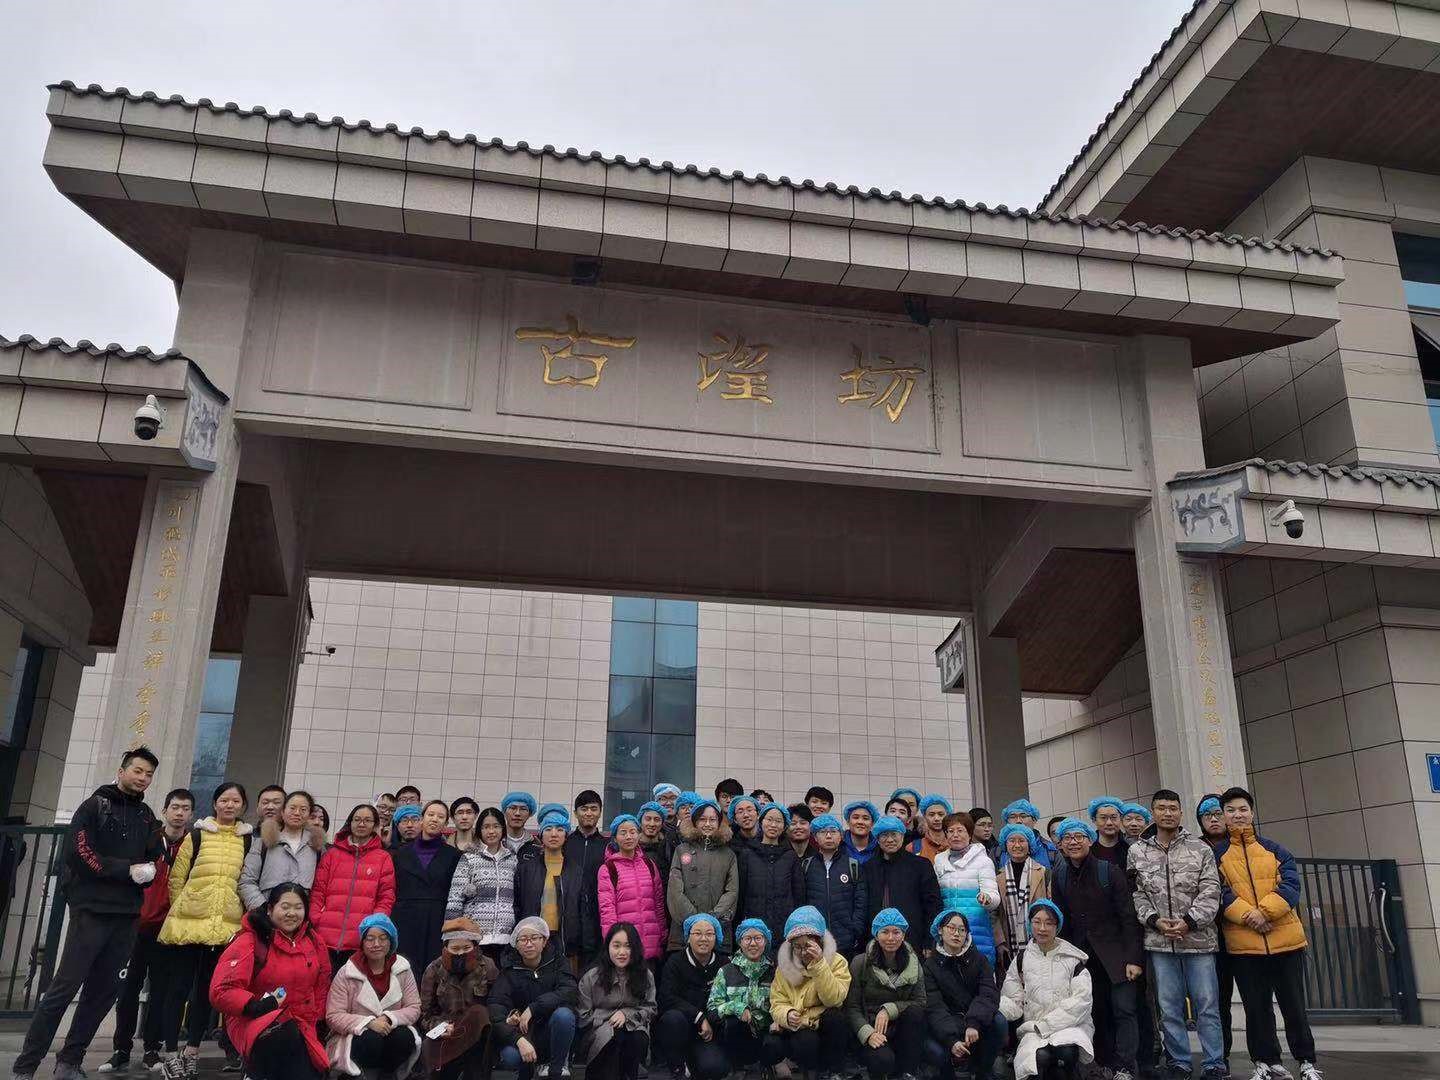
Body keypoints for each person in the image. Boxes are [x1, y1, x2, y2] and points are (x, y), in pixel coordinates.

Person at [13, 748, 165, 1080]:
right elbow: (79, 853)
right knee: (64, 988)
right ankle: (25, 1066)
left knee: (103, 993)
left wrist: (152, 865)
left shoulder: (146, 816)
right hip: (91, 911)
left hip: (127, 915)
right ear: (121, 771)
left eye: (149, 774)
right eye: (137, 771)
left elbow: (155, 855)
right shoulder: (95, 806)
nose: (143, 778)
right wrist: (125, 870)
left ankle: (70, 1061)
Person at [1214, 787, 1320, 1080]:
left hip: (1286, 942)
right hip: (1244, 946)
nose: (1237, 815)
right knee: (1256, 1008)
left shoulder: (1276, 850)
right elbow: (1219, 892)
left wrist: (1264, 913)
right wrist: (1250, 916)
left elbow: (1290, 886)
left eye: (1242, 809)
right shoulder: (1216, 856)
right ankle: (1265, 1061)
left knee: (1294, 1006)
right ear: (1223, 816)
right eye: (1230, 810)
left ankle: (1306, 1061)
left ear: (1252, 812)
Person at [157, 780, 255, 1077]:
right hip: (189, 925)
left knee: (206, 993)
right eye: (224, 800)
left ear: (243, 806)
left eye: (235, 801)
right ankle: (170, 1053)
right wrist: (184, 908)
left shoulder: (247, 841)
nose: (229, 805)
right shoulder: (198, 834)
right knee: (178, 989)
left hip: (224, 929)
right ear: (215, 804)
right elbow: (177, 878)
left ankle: (192, 1051)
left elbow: (244, 882)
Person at [1128, 788, 1226, 1080]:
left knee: (1207, 1005)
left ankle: (1214, 1063)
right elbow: (1137, 894)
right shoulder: (1137, 851)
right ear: (1153, 812)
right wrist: (1154, 920)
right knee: (1169, 1008)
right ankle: (1179, 1062)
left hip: (1198, 941)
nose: (1168, 813)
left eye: (1173, 808)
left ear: (1181, 812)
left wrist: (1189, 922)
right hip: (1159, 943)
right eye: (1162, 808)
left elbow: (1211, 891)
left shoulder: (1200, 849)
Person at [101, 785, 193, 1074]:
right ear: (164, 810)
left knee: (161, 991)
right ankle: (121, 1049)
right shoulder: (147, 839)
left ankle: (152, 1049)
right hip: (137, 925)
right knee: (128, 989)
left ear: (191, 814)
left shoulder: (194, 844)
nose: (179, 813)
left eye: (185, 808)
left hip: (169, 929)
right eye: (175, 807)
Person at [1048, 818, 1143, 1080]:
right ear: (1061, 844)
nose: (1073, 842)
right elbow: (1062, 923)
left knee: (1124, 1010)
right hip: (1084, 959)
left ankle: (1126, 1066)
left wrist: (1134, 959)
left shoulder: (1108, 871)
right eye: (1068, 838)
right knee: (1096, 1012)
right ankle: (1105, 1064)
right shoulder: (1060, 875)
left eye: (1079, 837)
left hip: (1117, 956)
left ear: (1090, 840)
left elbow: (1128, 917)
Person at [209, 882, 332, 1080]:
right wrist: (255, 1006)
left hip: (302, 1026)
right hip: (254, 1021)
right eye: (285, 907)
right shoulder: (251, 940)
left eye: (298, 907)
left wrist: (317, 1022)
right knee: (283, 1036)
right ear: (270, 909)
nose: (291, 913)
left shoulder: (314, 941)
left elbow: (322, 984)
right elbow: (222, 989)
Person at [999, 901, 1094, 1080]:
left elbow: (1082, 1001)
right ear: (1030, 924)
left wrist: (1047, 1025)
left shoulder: (1073, 960)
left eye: (1049, 923)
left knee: (1066, 1053)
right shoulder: (1021, 960)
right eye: (1037, 922)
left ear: (1057, 927)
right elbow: (1013, 999)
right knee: (1039, 1057)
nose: (1042, 928)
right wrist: (994, 1007)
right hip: (1033, 1029)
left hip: (1069, 1026)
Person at [325, 912, 423, 1078]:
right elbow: (333, 1015)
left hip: (391, 1031)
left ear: (391, 941)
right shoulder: (347, 972)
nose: (376, 944)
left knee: (403, 1037)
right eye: (370, 939)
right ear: (362, 943)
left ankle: (388, 1074)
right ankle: (362, 1075)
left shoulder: (403, 969)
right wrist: (368, 1022)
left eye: (383, 938)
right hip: (356, 1037)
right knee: (371, 1039)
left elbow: (414, 1007)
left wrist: (388, 1018)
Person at [489, 916, 580, 1080]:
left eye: (534, 938)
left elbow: (569, 991)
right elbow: (496, 1010)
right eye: (523, 939)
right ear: (516, 945)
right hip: (524, 1033)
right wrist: (518, 1038)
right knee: (510, 1056)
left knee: (564, 1015)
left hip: (552, 1030)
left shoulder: (559, 962)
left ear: (544, 941)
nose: (529, 944)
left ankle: (556, 1071)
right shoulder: (508, 972)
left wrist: (534, 1007)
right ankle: (528, 1070)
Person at [768, 905, 852, 1080]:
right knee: (806, 1041)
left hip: (825, 1021)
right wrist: (787, 1014)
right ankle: (810, 1071)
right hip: (799, 1025)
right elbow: (777, 1002)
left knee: (836, 1018)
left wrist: (819, 965)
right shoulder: (784, 967)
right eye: (797, 947)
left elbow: (834, 1000)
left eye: (808, 945)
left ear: (819, 942)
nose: (803, 952)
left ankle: (835, 1071)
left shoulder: (838, 962)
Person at [310, 803, 396, 971]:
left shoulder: (383, 858)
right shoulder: (332, 854)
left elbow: (386, 897)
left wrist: (374, 925)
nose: (361, 824)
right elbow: (318, 891)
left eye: (367, 820)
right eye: (357, 819)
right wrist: (317, 918)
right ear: (350, 823)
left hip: (360, 938)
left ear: (375, 825)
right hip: (325, 936)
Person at [923, 910, 1006, 1080]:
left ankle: (983, 1071)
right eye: (951, 928)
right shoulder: (930, 966)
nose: (956, 934)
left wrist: (974, 1022)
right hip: (946, 1024)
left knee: (999, 1021)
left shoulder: (979, 960)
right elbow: (934, 1007)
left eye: (962, 930)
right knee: (934, 1050)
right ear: (940, 930)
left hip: (974, 1021)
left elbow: (988, 994)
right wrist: (951, 1040)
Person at [845, 909, 926, 1080]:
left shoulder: (913, 962)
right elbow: (852, 1007)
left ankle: (908, 1073)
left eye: (896, 932)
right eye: (885, 932)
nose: (891, 938)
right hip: (872, 1028)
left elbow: (920, 1001)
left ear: (903, 935)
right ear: (876, 935)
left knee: (916, 1013)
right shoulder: (860, 963)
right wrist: (868, 1034)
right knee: (883, 1061)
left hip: (902, 1030)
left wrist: (890, 1009)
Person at [419, 918, 502, 1080]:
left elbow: (497, 1003)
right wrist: (440, 1027)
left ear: (475, 947)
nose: (460, 953)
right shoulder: (434, 969)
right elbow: (424, 1013)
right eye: (455, 948)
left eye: (466, 948)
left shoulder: (488, 966)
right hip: (446, 1032)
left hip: (478, 1037)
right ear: (446, 947)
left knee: (479, 1012)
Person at [579, 922, 658, 1080]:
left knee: (636, 1038)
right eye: (616, 946)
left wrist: (626, 1014)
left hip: (633, 1029)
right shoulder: (591, 977)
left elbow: (651, 1009)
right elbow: (583, 1017)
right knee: (615, 1037)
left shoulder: (645, 975)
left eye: (628, 946)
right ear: (607, 947)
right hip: (598, 1034)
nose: (622, 952)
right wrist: (610, 1020)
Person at [393, 800, 463, 976]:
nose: (434, 819)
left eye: (440, 817)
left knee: (433, 972)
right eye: (430, 814)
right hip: (404, 919)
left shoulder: (454, 855)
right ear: (422, 819)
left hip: (437, 920)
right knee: (403, 970)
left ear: (446, 824)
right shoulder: (399, 853)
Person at [656, 914, 727, 1080]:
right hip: (682, 1026)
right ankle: (678, 1067)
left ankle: (695, 1062)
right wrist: (699, 1016)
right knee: (671, 1019)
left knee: (716, 1068)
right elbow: (666, 997)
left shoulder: (723, 964)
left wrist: (709, 1019)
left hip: (707, 1033)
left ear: (716, 937)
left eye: (709, 934)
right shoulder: (675, 962)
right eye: (697, 933)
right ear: (688, 937)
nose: (703, 938)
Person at [706, 919, 779, 1074]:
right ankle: (737, 1066)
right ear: (740, 942)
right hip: (737, 1036)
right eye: (747, 938)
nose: (753, 943)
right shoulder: (726, 971)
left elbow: (784, 1001)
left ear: (766, 941)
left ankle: (769, 1065)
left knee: (776, 1043)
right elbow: (712, 1009)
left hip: (767, 1033)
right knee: (734, 1023)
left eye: (758, 938)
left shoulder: (775, 972)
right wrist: (736, 1007)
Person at [446, 805, 518, 962]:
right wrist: (451, 932)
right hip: (475, 937)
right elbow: (455, 898)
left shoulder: (512, 859)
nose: (491, 831)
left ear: (503, 829)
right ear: (479, 830)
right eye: (486, 827)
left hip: (506, 937)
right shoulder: (469, 858)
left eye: (496, 826)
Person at [667, 799, 739, 950]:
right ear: (694, 822)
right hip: (683, 930)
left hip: (718, 928)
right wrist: (693, 918)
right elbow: (675, 889)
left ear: (719, 823)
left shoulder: (728, 854)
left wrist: (712, 918)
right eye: (702, 819)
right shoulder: (681, 850)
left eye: (712, 820)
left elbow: (732, 891)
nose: (707, 824)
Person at [515, 807, 584, 963]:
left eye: (560, 830)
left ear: (566, 836)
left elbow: (582, 911)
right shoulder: (526, 869)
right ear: (541, 834)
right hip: (534, 938)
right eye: (548, 829)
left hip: (565, 940)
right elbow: (518, 905)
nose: (554, 834)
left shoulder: (576, 871)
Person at [861, 816, 940, 952]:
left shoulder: (920, 866)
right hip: (876, 941)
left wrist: (930, 941)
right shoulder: (868, 868)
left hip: (913, 940)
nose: (890, 840)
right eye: (884, 835)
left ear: (902, 836)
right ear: (877, 839)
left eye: (894, 834)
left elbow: (933, 905)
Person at [598, 814, 668, 966]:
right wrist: (612, 941)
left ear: (638, 834)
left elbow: (658, 903)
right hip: (625, 945)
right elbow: (607, 910)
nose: (628, 837)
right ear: (615, 838)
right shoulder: (608, 869)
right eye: (623, 833)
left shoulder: (649, 865)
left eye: (632, 832)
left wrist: (662, 932)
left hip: (652, 942)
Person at [1196, 794, 1234, 1070]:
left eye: (1218, 813)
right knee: (1216, 1001)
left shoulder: (1243, 844)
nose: (1213, 819)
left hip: (1242, 930)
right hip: (1209, 934)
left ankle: (1266, 1057)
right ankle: (1222, 1056)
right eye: (1207, 815)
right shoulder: (1195, 847)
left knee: (1255, 999)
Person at [932, 811, 999, 963]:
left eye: (960, 830)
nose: (955, 835)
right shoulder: (939, 861)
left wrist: (987, 898)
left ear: (969, 834)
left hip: (977, 930)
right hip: (947, 931)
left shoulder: (983, 861)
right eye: (950, 831)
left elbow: (994, 897)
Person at [241, 790, 322, 910]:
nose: (297, 813)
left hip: (300, 917)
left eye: (303, 810)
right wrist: (264, 910)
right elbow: (247, 882)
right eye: (292, 808)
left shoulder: (317, 848)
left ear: (309, 815)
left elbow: (320, 889)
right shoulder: (264, 843)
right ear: (283, 812)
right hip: (266, 915)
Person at [739, 802, 805, 945]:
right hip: (754, 929)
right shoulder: (747, 854)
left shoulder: (790, 856)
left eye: (778, 821)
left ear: (784, 826)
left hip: (783, 928)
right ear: (761, 822)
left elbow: (799, 895)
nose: (773, 825)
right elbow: (741, 895)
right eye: (769, 819)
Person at [804, 813, 868, 957]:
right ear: (815, 837)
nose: (828, 836)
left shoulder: (852, 865)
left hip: (845, 941)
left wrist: (855, 931)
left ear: (841, 836)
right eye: (823, 832)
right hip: (815, 939)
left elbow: (861, 902)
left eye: (833, 831)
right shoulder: (806, 865)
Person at [994, 823, 1050, 974]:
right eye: (1012, 841)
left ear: (1029, 844)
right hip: (1009, 944)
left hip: (1040, 938)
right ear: (1005, 845)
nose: (1017, 845)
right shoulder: (998, 876)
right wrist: (1000, 942)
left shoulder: (1044, 872)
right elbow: (995, 913)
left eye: (1021, 841)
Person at [566, 789, 608, 966]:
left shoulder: (608, 846)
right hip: (569, 914)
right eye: (584, 809)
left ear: (600, 812)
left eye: (593, 808)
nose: (589, 813)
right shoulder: (565, 843)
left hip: (597, 915)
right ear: (575, 813)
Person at [1002, 800, 1054, 867]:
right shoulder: (997, 853)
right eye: (1012, 817)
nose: (1018, 821)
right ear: (1007, 822)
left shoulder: (1050, 850)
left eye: (1023, 816)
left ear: (1034, 820)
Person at [1087, 796, 1130, 870]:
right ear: (1094, 820)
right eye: (1103, 818)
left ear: (1121, 818)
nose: (1109, 823)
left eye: (1114, 817)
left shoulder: (1129, 845)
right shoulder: (1087, 848)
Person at [637, 800, 674, 883]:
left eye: (657, 820)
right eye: (648, 819)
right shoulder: (631, 847)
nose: (652, 824)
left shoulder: (669, 848)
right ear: (640, 822)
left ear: (662, 823)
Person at [910, 795, 951, 861]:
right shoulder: (913, 847)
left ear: (947, 816)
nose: (936, 818)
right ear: (925, 817)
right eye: (931, 815)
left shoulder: (956, 844)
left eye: (940, 814)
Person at [843, 800, 880, 864]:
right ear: (848, 821)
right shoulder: (838, 846)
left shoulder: (880, 849)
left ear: (872, 823)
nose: (860, 822)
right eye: (856, 817)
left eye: (865, 818)